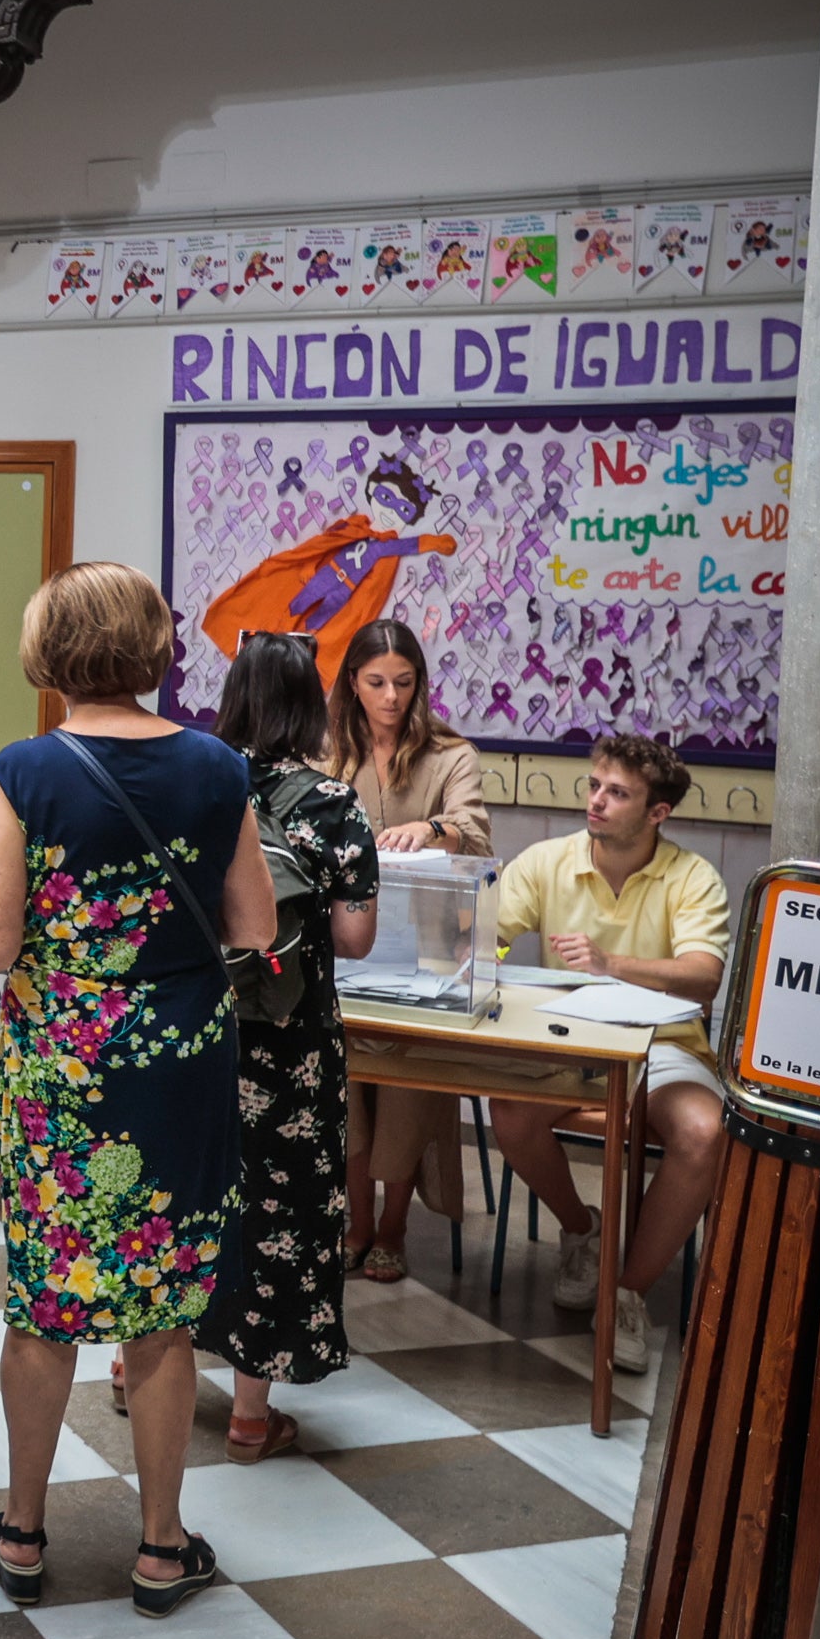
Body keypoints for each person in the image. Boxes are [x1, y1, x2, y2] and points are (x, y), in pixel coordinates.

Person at [0, 563, 271, 1618]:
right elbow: (253, 927)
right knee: (164, 1307)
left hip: (64, 1063)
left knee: (47, 1298)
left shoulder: (24, 768)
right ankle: (158, 1543)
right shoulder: (217, 765)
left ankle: (19, 1530)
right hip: (179, 1057)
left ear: (48, 649)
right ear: (148, 646)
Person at [485, 734, 729, 1375]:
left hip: (663, 1046)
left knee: (704, 1133)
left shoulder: (691, 876)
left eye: (617, 793)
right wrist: (481, 948)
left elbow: (704, 977)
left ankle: (627, 1294)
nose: (596, 800)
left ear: (657, 813)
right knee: (509, 1106)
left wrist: (610, 964)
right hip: (569, 1040)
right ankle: (581, 1231)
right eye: (595, 785)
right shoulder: (546, 861)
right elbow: (490, 941)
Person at [190, 633, 378, 1463]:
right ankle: (250, 1415)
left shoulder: (194, 778)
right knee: (278, 1211)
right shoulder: (331, 802)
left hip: (196, 1031)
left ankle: (134, 1369)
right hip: (291, 1047)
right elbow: (355, 935)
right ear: (313, 704)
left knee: (188, 1191)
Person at [321, 619, 490, 1282]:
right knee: (345, 1087)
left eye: (404, 682)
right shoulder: (330, 752)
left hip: (428, 956)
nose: (391, 697)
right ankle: (356, 1219)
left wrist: (434, 827)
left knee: (407, 1091)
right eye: (376, 683)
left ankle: (393, 1225)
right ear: (352, 685)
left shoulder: (450, 754)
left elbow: (474, 830)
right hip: (346, 951)